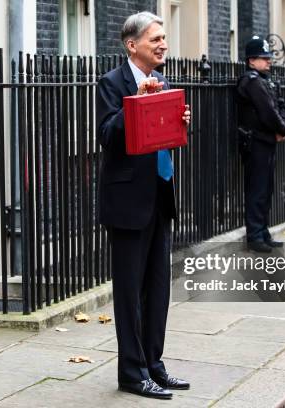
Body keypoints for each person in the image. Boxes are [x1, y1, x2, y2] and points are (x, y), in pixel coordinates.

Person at [96, 11, 191, 400]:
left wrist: (182, 120)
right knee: (130, 292)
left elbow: (164, 136)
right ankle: (132, 373)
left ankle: (154, 364)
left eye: (164, 38)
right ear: (132, 45)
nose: (163, 44)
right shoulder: (112, 83)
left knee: (157, 289)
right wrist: (139, 101)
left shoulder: (165, 82)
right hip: (126, 203)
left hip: (160, 195)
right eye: (156, 39)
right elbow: (107, 134)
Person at [236, 35, 285, 253]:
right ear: (251, 61)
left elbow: (281, 105)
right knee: (257, 189)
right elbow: (268, 112)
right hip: (256, 142)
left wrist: (283, 129)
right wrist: (282, 129)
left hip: (268, 140)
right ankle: (255, 236)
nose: (269, 61)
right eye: (263, 58)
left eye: (269, 58)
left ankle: (263, 232)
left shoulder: (266, 80)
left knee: (266, 189)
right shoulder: (251, 81)